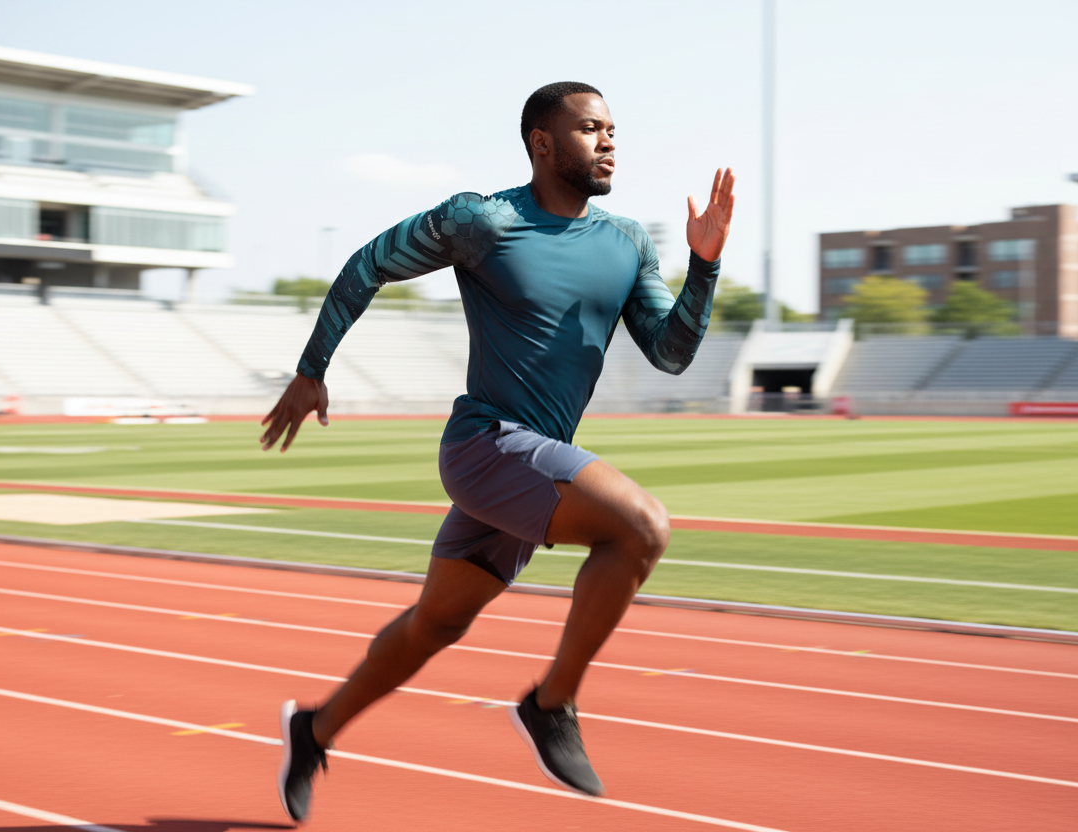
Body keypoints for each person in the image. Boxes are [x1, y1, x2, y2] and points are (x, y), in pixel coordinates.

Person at [261, 81, 734, 822]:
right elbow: (366, 265)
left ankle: (312, 729)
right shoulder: (482, 221)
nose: (609, 141)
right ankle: (553, 704)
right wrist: (312, 371)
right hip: (485, 446)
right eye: (590, 129)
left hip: (533, 463)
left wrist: (703, 266)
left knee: (436, 625)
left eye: (613, 129)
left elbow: (671, 354)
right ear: (543, 144)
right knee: (642, 526)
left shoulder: (627, 241)